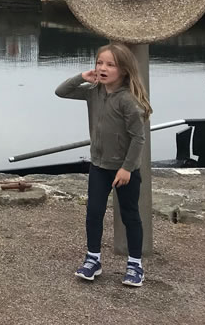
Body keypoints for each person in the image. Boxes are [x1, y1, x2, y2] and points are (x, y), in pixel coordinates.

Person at [55, 43, 150, 287]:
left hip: (124, 170)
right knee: (94, 213)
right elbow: (61, 92)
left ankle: (135, 265)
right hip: (98, 165)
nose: (103, 68)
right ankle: (93, 259)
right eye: (100, 63)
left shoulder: (128, 100)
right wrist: (82, 77)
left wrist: (128, 168)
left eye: (110, 64)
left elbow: (139, 137)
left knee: (130, 215)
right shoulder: (93, 91)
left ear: (125, 70)